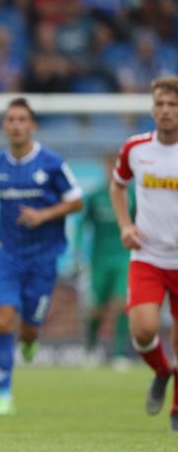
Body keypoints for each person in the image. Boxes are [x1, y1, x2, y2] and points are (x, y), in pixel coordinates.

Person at [0, 98, 84, 416]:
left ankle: (29, 340)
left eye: (22, 119)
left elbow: (76, 201)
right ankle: (3, 394)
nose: (16, 125)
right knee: (3, 318)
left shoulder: (51, 163)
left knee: (29, 329)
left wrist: (43, 215)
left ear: (33, 125)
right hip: (7, 255)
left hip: (43, 257)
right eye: (11, 119)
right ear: (4, 125)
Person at [110, 76, 178, 433]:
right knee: (143, 330)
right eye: (160, 104)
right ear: (152, 109)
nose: (165, 110)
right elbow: (117, 186)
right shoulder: (135, 148)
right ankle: (162, 371)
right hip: (148, 257)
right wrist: (125, 225)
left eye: (172, 104)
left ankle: (176, 410)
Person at [75, 154, 132, 367]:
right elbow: (82, 223)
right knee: (96, 307)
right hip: (99, 261)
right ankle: (90, 349)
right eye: (109, 166)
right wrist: (78, 249)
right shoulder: (96, 196)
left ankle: (119, 354)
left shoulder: (132, 196)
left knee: (122, 303)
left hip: (124, 258)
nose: (113, 170)